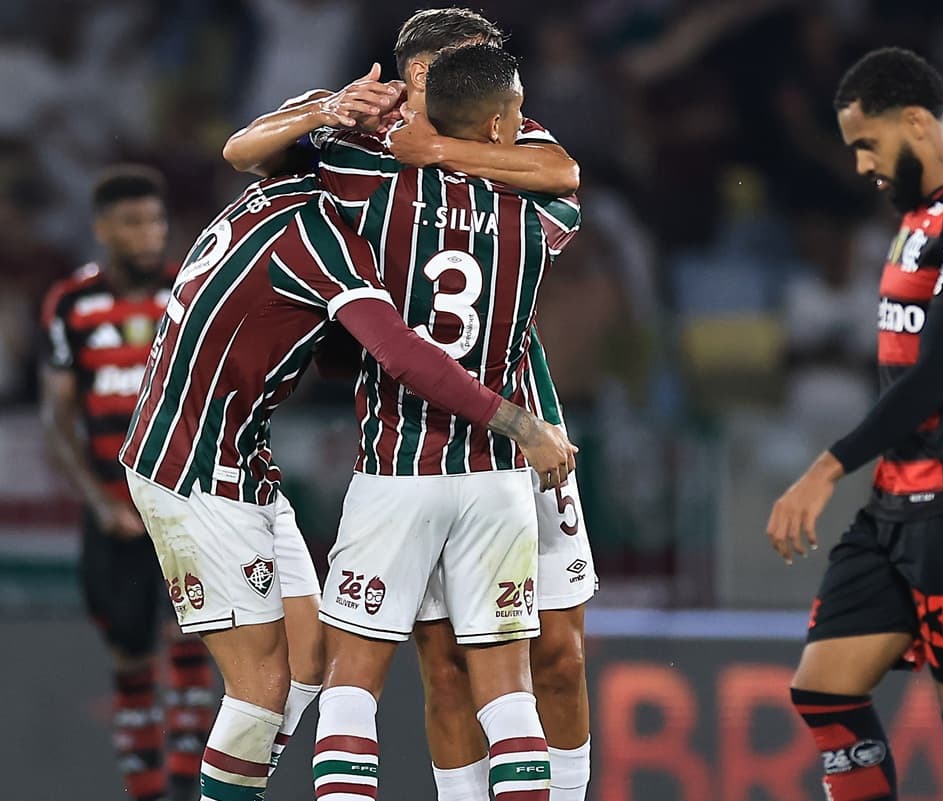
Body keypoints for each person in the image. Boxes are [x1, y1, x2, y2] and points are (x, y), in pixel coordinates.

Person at [120, 144, 574, 800]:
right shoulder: (322, 238)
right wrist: (521, 423)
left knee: (308, 666)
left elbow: (310, 337)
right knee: (260, 691)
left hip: (237, 459)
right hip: (192, 471)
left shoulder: (270, 196)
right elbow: (398, 354)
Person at [223, 10, 596, 800]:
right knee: (467, 673)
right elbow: (566, 185)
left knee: (546, 656)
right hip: (489, 447)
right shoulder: (492, 182)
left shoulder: (368, 177)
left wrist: (430, 149)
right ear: (410, 72)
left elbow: (562, 166)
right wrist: (330, 107)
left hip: (476, 445)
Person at [766, 48, 943, 800]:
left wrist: (827, 466)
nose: (861, 165)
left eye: (868, 143)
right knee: (825, 691)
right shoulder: (919, 216)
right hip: (899, 498)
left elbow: (937, 375)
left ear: (917, 121)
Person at [39, 166, 214, 801]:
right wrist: (97, 503)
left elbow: (216, 392)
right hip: (113, 512)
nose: (149, 234)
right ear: (103, 229)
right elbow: (56, 420)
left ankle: (190, 785)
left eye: (157, 221)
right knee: (132, 655)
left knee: (194, 641)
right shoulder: (70, 304)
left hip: (184, 508)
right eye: (134, 222)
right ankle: (144, 789)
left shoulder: (190, 291)